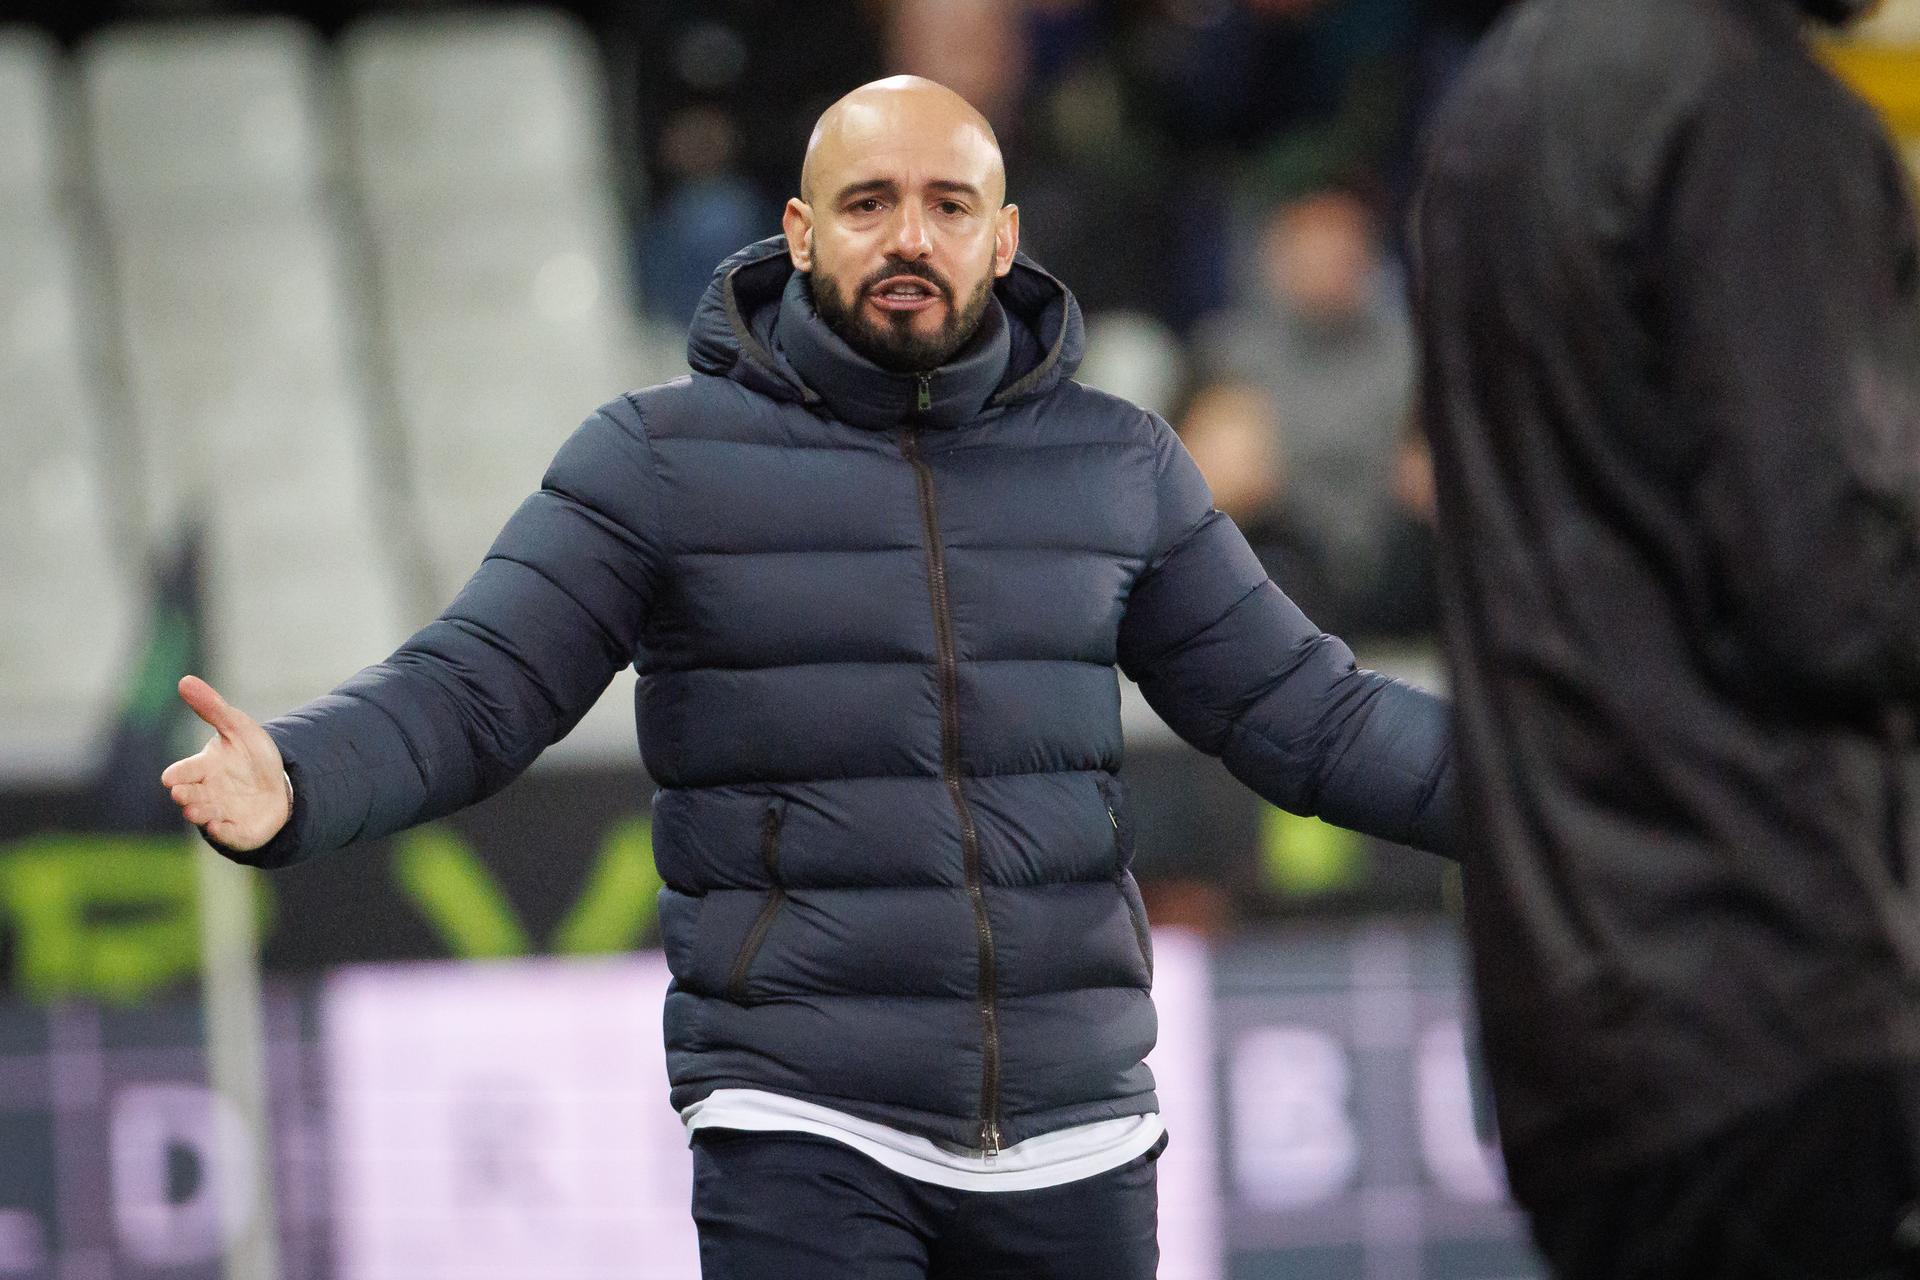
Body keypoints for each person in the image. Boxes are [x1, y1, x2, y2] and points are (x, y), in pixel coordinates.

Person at [164, 77, 1457, 1278]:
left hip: (1082, 1135)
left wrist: (1530, 789)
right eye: (868, 204)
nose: (910, 238)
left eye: (948, 205)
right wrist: (302, 776)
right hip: (803, 1125)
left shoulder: (1119, 463)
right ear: (799, 231)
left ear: (1004, 238)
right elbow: (479, 687)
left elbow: (1308, 715)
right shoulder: (655, 461)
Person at [1415, 0, 1920, 1274]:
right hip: (1781, 993)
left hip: (1577, 1036)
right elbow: (1826, 597)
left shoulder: (1491, 104)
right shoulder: (1755, 109)